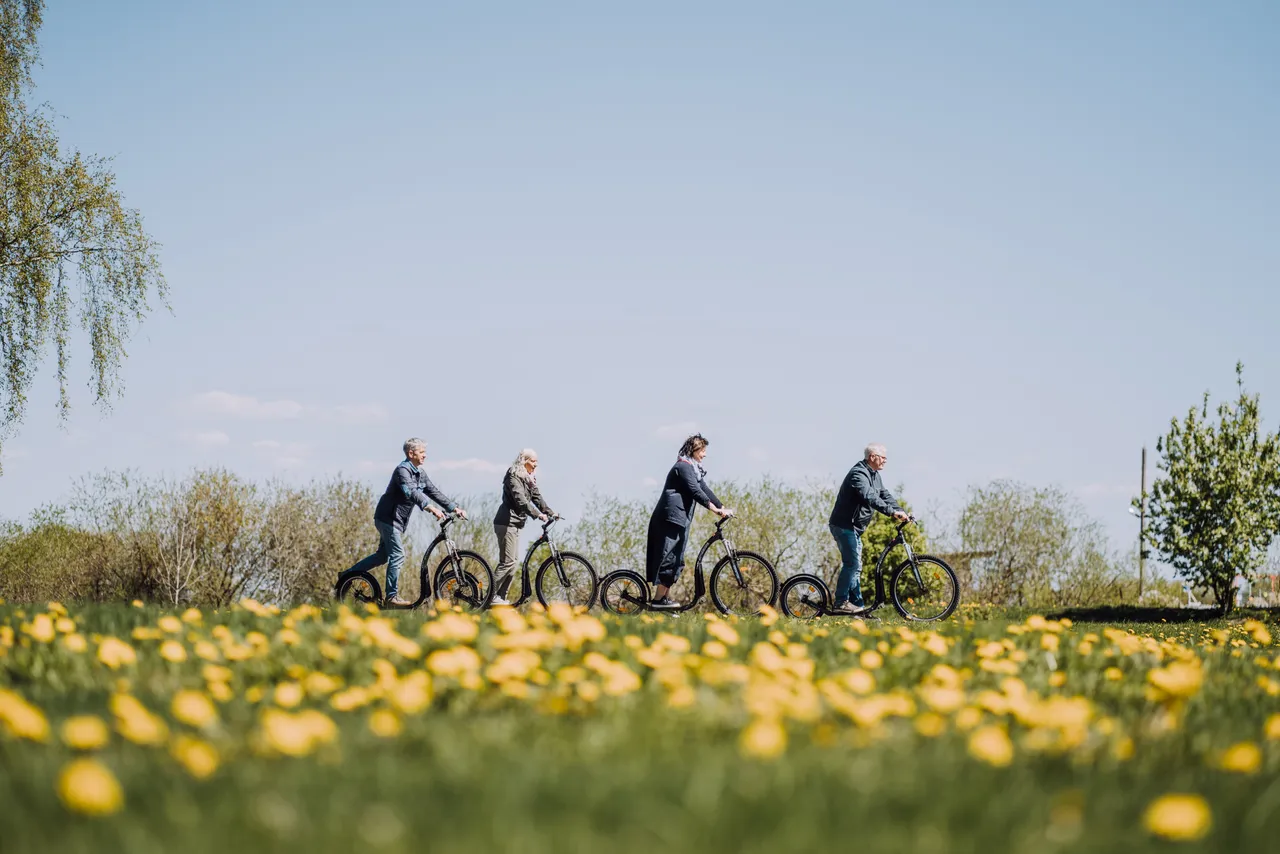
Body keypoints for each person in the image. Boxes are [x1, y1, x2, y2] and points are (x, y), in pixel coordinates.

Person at [340, 437, 467, 607]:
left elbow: (434, 492)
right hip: (388, 518)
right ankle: (391, 597)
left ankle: (347, 575)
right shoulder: (402, 471)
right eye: (422, 452)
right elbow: (411, 493)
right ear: (411, 453)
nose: (425, 455)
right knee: (398, 554)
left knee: (382, 556)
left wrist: (454, 508)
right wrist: (430, 508)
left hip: (396, 521)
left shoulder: (420, 474)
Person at [645, 433, 733, 608]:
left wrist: (722, 507)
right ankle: (658, 600)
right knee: (670, 557)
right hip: (670, 519)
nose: (705, 454)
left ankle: (664, 600)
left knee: (677, 560)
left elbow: (704, 489)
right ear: (694, 450)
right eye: (702, 450)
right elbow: (695, 491)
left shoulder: (693, 469)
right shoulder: (683, 467)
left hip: (680, 519)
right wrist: (715, 510)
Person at [827, 443, 909, 615]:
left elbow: (884, 495)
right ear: (872, 457)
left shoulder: (875, 475)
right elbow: (870, 496)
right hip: (844, 525)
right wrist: (891, 512)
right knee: (852, 564)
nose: (885, 461)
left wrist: (901, 510)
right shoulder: (858, 474)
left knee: (856, 567)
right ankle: (840, 602)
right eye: (883, 458)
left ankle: (858, 609)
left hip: (854, 528)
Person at [491, 448, 556, 606]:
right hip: (506, 523)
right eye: (533, 461)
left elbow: (536, 497)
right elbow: (520, 499)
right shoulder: (513, 475)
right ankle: (490, 595)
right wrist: (537, 514)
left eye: (536, 461)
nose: (536, 464)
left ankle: (500, 598)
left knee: (513, 563)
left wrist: (550, 512)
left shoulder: (529, 478)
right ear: (524, 461)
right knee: (507, 562)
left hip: (516, 523)